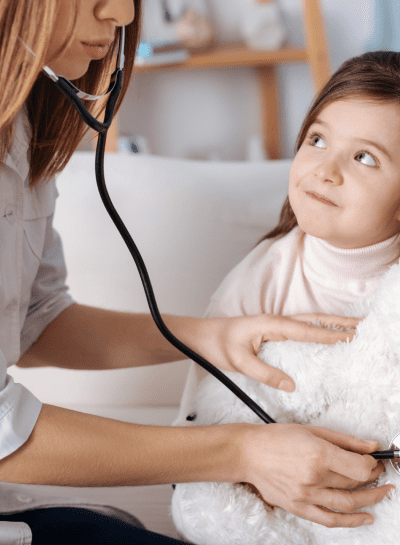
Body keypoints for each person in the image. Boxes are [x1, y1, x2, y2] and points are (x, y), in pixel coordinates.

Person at [0, 1, 391, 543]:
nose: (119, 12)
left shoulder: (21, 131)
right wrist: (241, 454)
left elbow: (36, 321)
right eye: (318, 140)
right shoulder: (272, 268)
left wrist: (209, 336)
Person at [174, 49, 400, 539]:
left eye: (364, 157)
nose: (326, 169)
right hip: (282, 504)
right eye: (318, 140)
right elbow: (204, 415)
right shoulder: (263, 276)